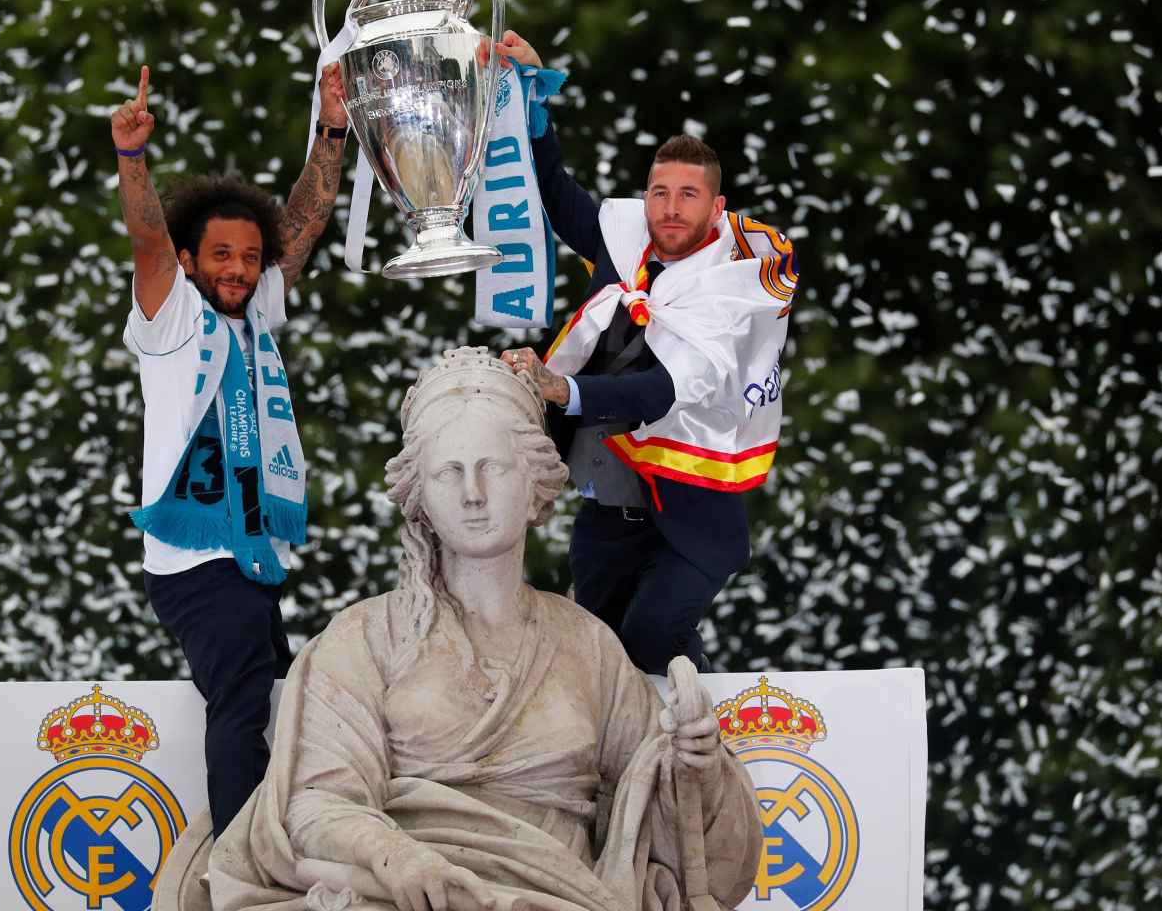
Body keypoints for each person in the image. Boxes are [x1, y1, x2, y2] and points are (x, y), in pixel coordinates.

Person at [190, 347, 762, 911]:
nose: (472, 494)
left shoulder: (588, 645)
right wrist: (395, 856)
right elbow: (314, 804)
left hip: (555, 893)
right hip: (405, 894)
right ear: (421, 495)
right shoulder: (364, 637)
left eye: (491, 467)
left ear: (535, 478)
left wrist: (696, 767)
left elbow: (663, 823)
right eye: (449, 472)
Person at [497, 31, 799, 676]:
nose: (669, 208)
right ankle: (674, 768)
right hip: (606, 511)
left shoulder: (732, 286)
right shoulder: (626, 241)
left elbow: (662, 390)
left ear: (716, 209)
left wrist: (562, 389)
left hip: (689, 523)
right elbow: (553, 191)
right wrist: (530, 98)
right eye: (659, 192)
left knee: (648, 646)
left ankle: (705, 762)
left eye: (688, 195)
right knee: (594, 668)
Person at [112, 61, 350, 837]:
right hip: (193, 559)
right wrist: (133, 158)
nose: (239, 270)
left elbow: (307, 220)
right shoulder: (172, 314)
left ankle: (273, 841)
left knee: (285, 698)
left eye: (249, 258)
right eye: (221, 256)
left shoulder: (255, 314)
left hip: (249, 553)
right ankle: (239, 868)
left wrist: (332, 125)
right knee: (245, 701)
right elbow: (147, 233)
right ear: (190, 262)